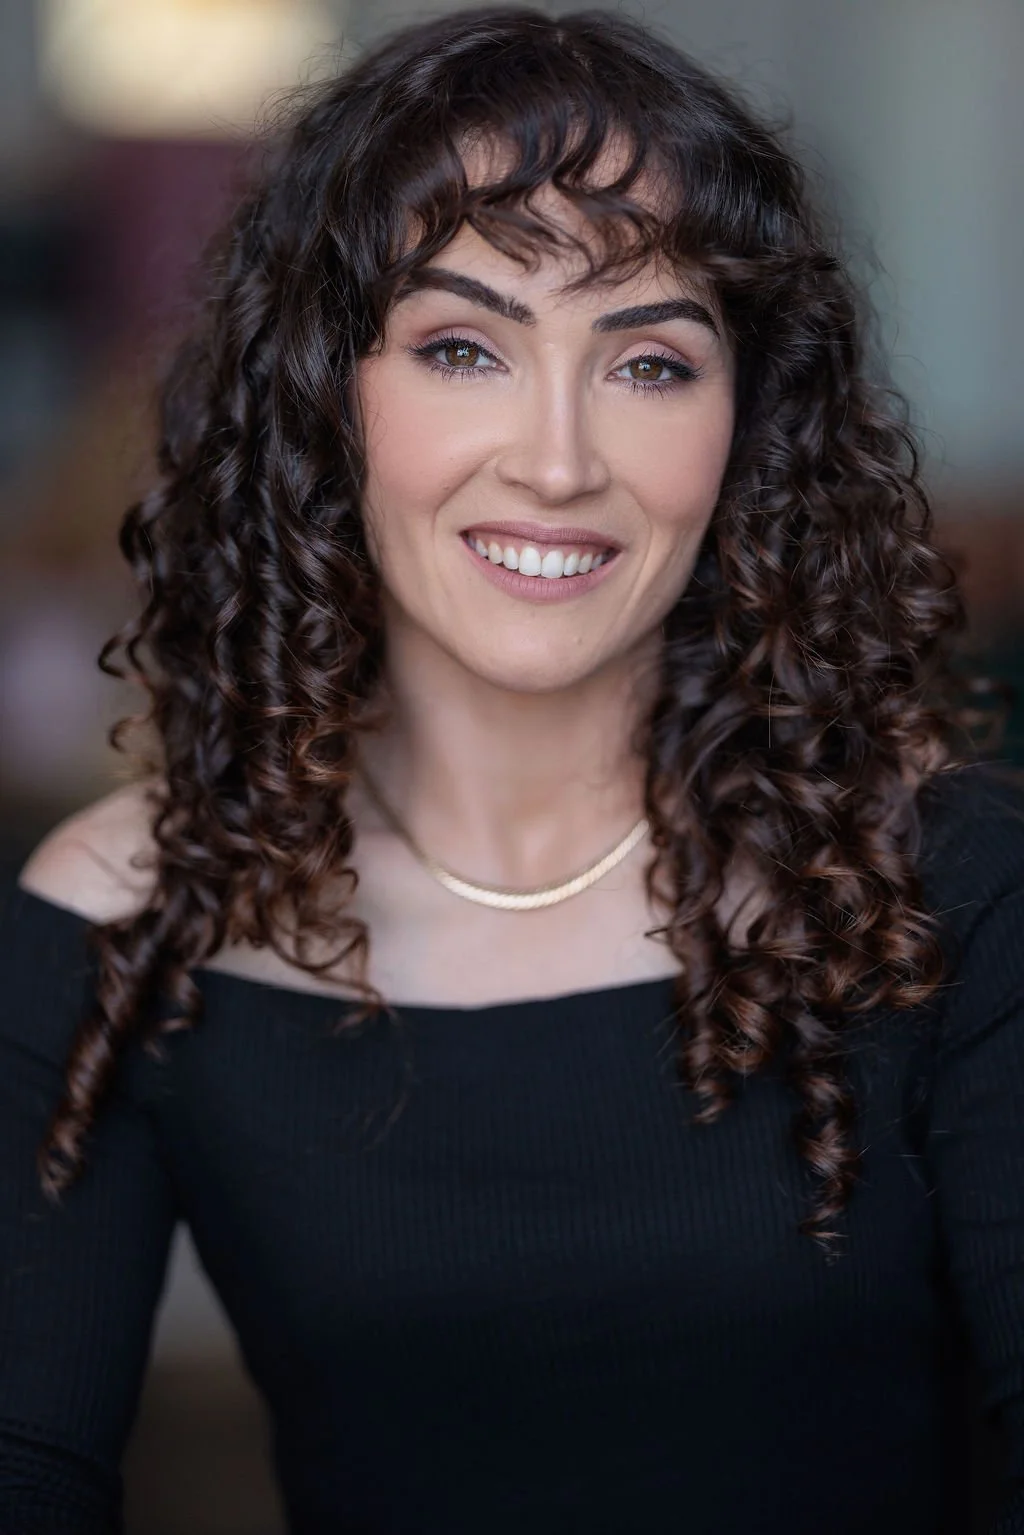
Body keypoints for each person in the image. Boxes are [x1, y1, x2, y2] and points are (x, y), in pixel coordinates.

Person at [2, 7, 1022, 1532]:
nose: (556, 459)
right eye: (464, 345)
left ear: (745, 427)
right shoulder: (129, 918)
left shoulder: (943, 881)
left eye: (652, 363)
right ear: (327, 400)